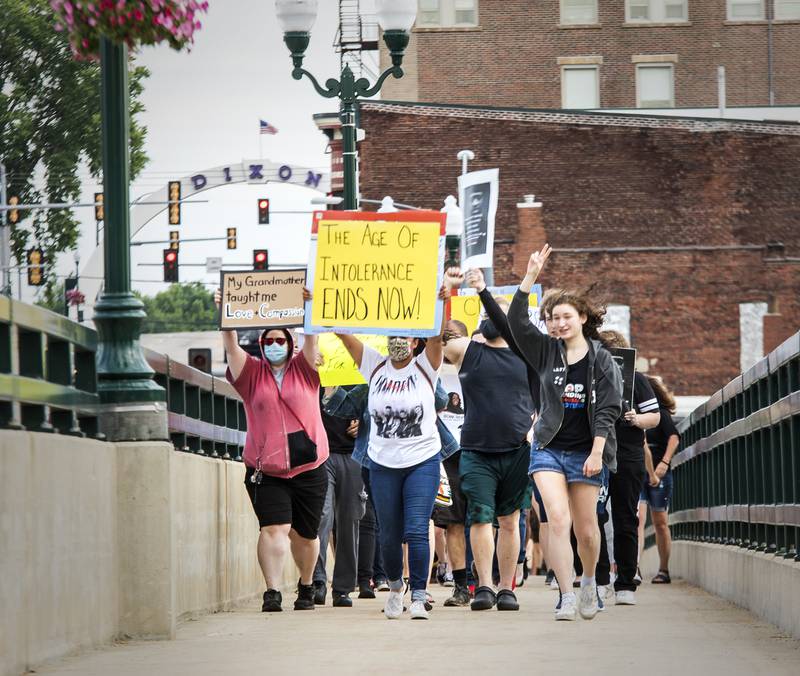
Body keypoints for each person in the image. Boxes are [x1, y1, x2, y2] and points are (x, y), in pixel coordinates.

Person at [508, 244, 623, 621]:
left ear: (582, 318)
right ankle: (566, 593)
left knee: (588, 530)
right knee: (557, 519)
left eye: (565, 317)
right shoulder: (545, 351)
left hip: (587, 452)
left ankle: (589, 580)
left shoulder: (601, 359)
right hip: (548, 447)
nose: (558, 324)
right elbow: (516, 323)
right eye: (553, 318)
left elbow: (607, 409)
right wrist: (529, 278)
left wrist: (596, 452)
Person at [215, 289, 329, 613]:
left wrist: (309, 306)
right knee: (273, 527)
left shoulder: (305, 369)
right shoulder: (250, 374)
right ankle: (273, 591)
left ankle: (306, 585)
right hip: (267, 469)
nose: (274, 345)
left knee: (306, 535)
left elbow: (312, 339)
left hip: (309, 466)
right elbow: (231, 346)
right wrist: (226, 315)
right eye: (268, 341)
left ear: (290, 344)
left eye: (280, 340)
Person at [333, 308, 451, 620]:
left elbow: (438, 336)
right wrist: (319, 302)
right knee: (389, 532)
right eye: (393, 335)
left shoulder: (426, 367)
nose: (398, 340)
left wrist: (442, 299)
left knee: (416, 529)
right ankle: (396, 587)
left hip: (422, 461)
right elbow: (342, 333)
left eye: (405, 335)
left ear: (416, 342)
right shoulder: (374, 366)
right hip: (382, 463)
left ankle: (419, 595)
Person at [442, 267, 535, 613]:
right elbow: (436, 338)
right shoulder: (468, 351)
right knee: (479, 518)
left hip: (516, 450)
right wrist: (447, 293)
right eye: (485, 313)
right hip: (477, 450)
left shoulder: (526, 355)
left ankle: (506, 587)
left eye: (494, 313)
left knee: (510, 520)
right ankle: (483, 585)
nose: (489, 319)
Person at [597, 330, 660, 605]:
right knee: (593, 516)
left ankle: (625, 581)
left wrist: (636, 419)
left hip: (628, 452)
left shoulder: (638, 380)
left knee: (625, 517)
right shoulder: (591, 375)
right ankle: (597, 578)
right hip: (596, 452)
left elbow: (655, 417)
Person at [312, 387, 364, 607]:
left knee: (349, 521)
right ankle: (316, 581)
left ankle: (343, 588)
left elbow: (378, 405)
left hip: (353, 454)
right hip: (321, 454)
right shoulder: (315, 371)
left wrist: (365, 423)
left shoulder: (361, 370)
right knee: (321, 518)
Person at [638, 375, 680, 584]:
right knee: (637, 518)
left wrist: (664, 463)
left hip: (659, 472)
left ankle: (664, 569)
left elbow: (674, 437)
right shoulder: (634, 414)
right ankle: (634, 567)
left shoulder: (661, 414)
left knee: (660, 522)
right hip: (638, 472)